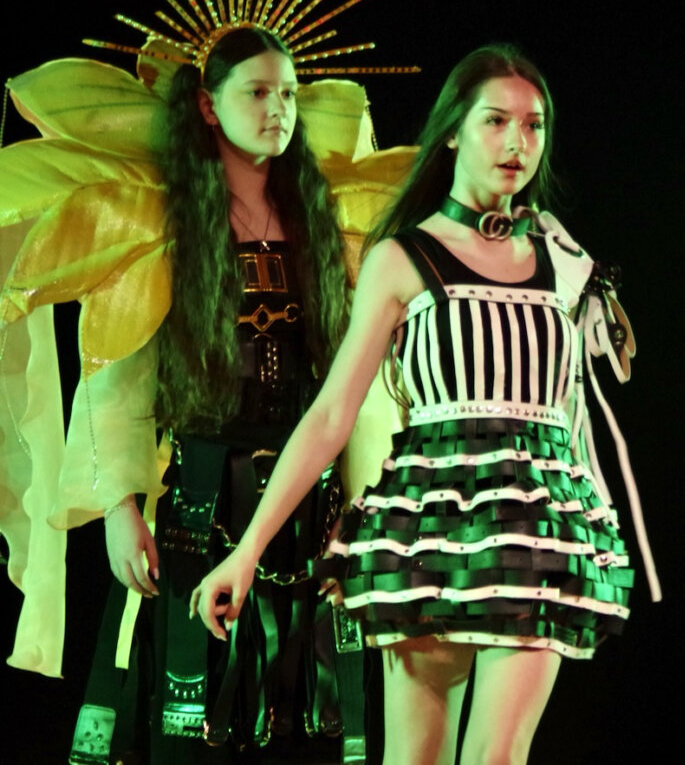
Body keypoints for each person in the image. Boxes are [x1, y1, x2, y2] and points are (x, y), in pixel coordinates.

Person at [0, 0, 416, 760]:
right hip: (197, 506)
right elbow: (118, 372)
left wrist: (365, 506)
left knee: (305, 724)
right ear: (207, 103)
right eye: (257, 92)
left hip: (310, 511)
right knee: (192, 729)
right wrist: (120, 508)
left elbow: (360, 383)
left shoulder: (328, 228)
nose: (278, 110)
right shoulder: (166, 225)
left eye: (289, 94)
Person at [191, 44, 660, 765]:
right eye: (495, 120)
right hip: (429, 524)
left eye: (533, 124)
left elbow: (578, 412)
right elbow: (331, 415)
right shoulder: (402, 258)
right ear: (452, 132)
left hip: (538, 528)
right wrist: (247, 550)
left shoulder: (566, 263)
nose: (516, 141)